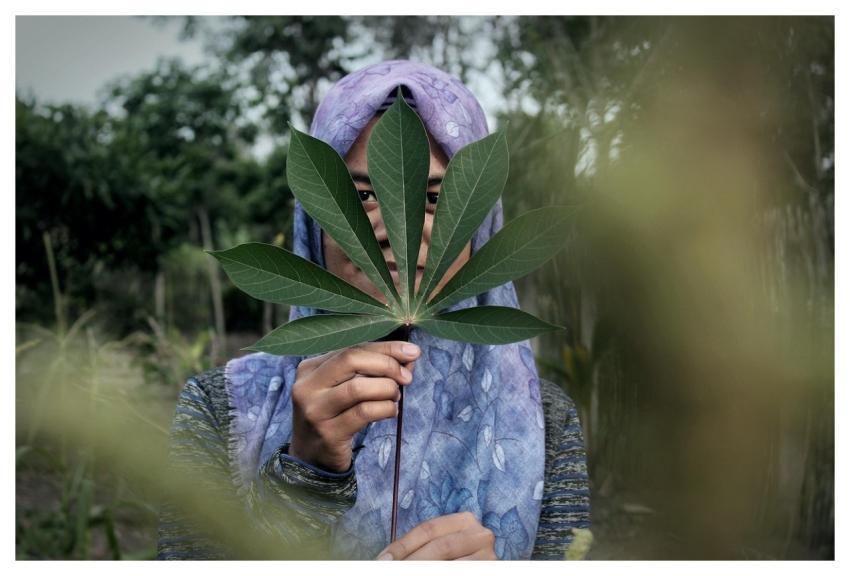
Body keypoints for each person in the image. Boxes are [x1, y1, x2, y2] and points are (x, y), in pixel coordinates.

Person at [157, 60, 590, 561]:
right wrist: (305, 474)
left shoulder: (545, 423)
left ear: (480, 226)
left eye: (435, 198)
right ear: (314, 219)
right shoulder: (219, 407)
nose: (391, 228)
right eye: (362, 196)